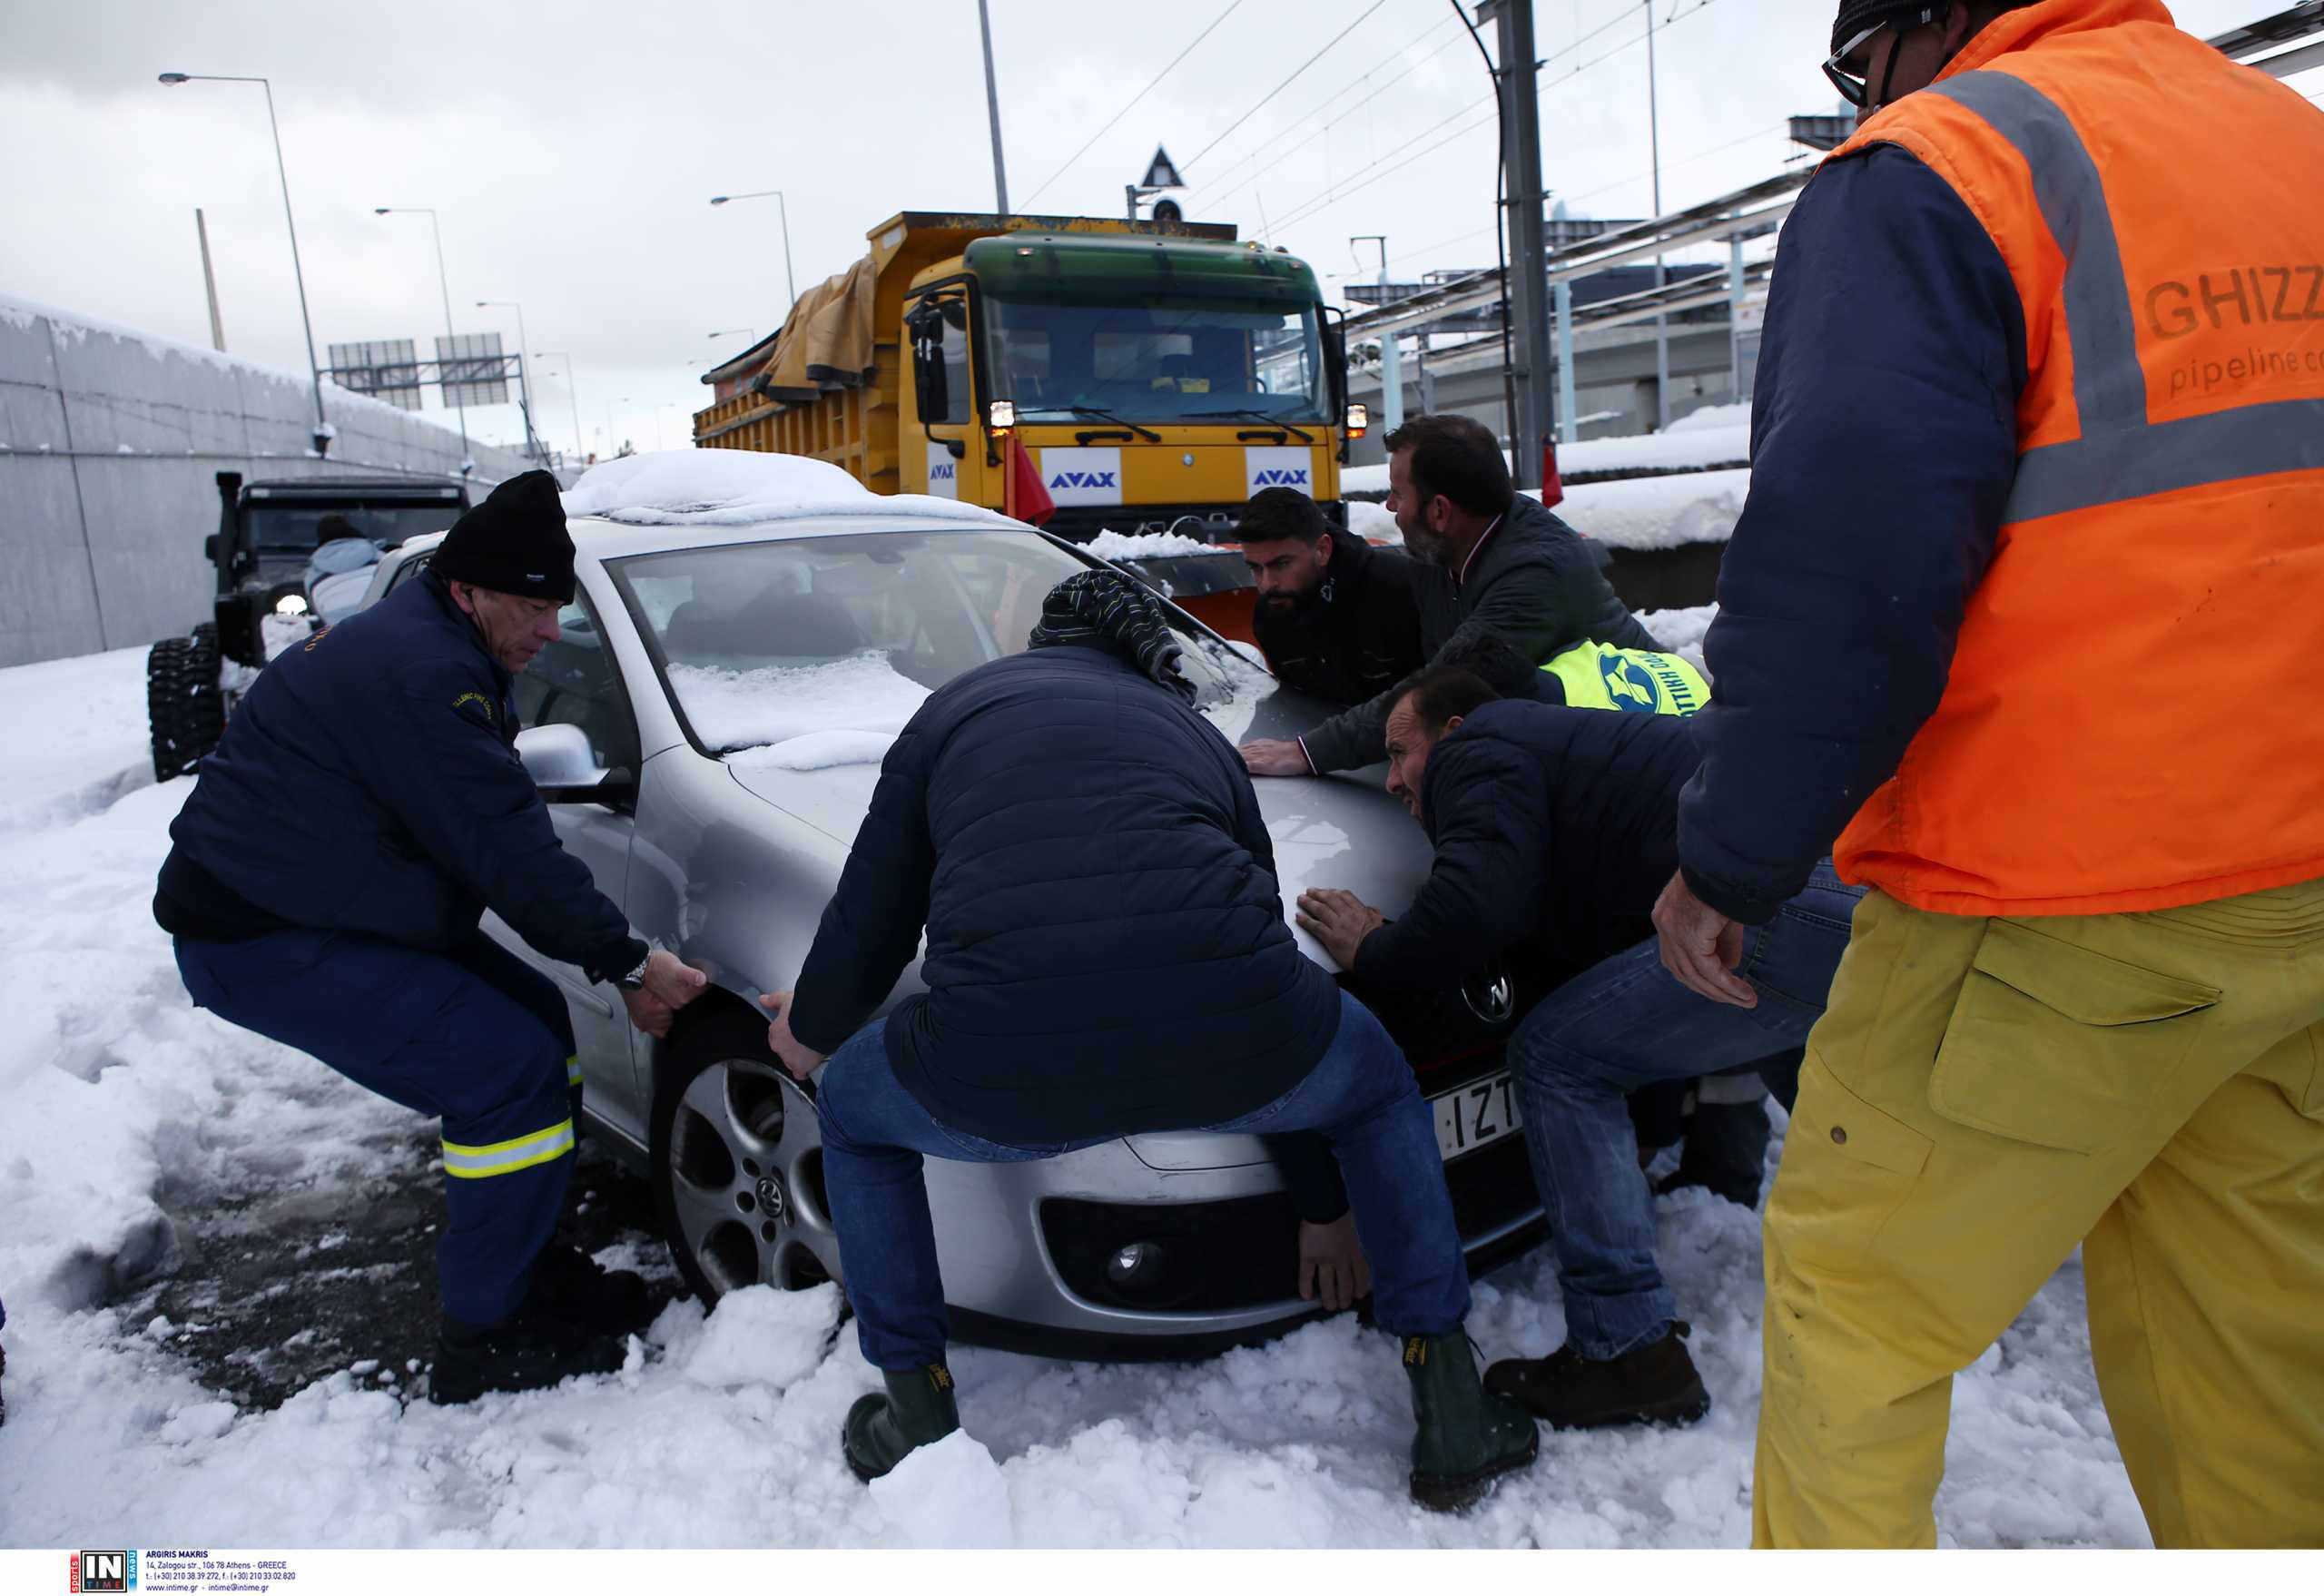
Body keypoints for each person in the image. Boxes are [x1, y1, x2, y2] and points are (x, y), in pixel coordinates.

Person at [1651, 0, 2324, 1549]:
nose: (1851, 103)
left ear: (1924, 21)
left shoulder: (1944, 165)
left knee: (1859, 1306)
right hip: (2299, 900)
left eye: (1850, 67)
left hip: (2051, 904)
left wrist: (1732, 860)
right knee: (2251, 1347)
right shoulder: (2289, 143)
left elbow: (1846, 575)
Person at [757, 570, 1538, 1511]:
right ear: (1143, 658)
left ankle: (915, 1414)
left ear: (1047, 644)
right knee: (1375, 1091)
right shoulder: (1189, 734)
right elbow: (1247, 919)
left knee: (851, 1109)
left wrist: (807, 1032)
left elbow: (872, 920)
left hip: (1003, 1065)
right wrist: (1320, 1200)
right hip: (1245, 1044)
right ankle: (1449, 1399)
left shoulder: (954, 713)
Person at [153, 470, 708, 1404]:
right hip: (261, 932)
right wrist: (628, 963)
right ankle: (485, 1334)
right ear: (470, 591)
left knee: (534, 1014)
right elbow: (506, 848)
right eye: (533, 607)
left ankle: (526, 1260)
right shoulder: (423, 677)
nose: (547, 630)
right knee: (502, 1073)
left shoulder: (435, 646)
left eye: (557, 607)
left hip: (338, 901)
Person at [1295, 639, 1862, 1432]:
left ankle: (1625, 1344)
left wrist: (1374, 949)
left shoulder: (1482, 747)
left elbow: (1477, 906)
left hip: (1764, 911)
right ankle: (1922, 1260)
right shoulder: (1570, 762)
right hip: (1845, 900)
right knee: (1799, 1053)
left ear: (1451, 729)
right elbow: (1615, 981)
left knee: (1558, 1060)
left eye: (1398, 753)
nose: (1390, 779)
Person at [1239, 413, 1661, 776]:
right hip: (1575, 743)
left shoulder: (1534, 573)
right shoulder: (1441, 554)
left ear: (1439, 511)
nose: (1389, 506)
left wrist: (1308, 752)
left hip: (1648, 753)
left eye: (1398, 494)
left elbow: (1442, 687)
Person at [1239, 484, 1423, 705]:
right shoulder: (1270, 616)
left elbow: (1441, 698)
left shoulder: (1403, 590)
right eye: (1255, 568)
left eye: (1282, 564)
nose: (1267, 584)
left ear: (1323, 550)